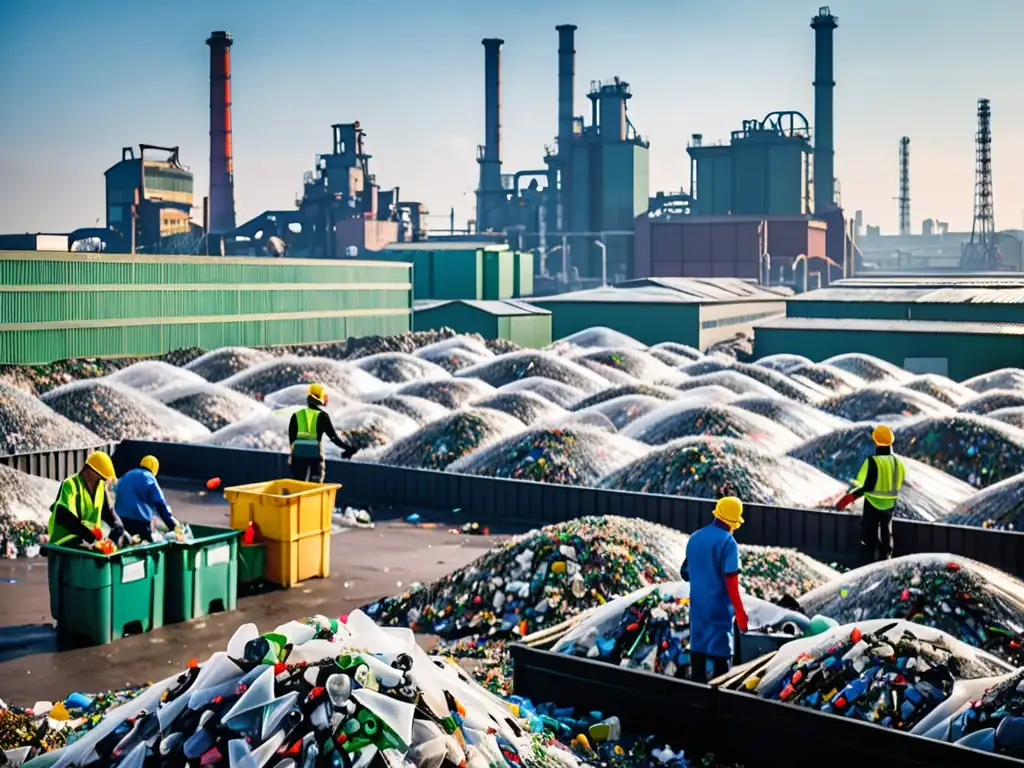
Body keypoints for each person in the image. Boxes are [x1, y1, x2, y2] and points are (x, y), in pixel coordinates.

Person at [680, 496, 749, 684]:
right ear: (733, 522)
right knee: (721, 670)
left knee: (698, 661)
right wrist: (741, 613)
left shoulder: (695, 538)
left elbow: (685, 572)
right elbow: (731, 582)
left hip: (698, 610)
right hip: (719, 613)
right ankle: (718, 707)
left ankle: (697, 701)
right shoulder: (728, 543)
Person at [835, 424, 905, 564]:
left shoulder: (872, 461)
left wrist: (849, 498)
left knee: (869, 535)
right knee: (886, 532)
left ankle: (866, 563)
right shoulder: (898, 463)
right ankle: (886, 563)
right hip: (890, 503)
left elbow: (866, 485)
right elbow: (898, 481)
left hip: (873, 502)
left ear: (876, 442)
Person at [48, 451, 129, 549]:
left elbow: (106, 512)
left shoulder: (100, 487)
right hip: (66, 541)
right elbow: (63, 516)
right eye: (101, 476)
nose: (103, 480)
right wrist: (89, 535)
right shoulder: (70, 484)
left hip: (90, 542)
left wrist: (117, 522)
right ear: (90, 470)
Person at [288, 383, 356, 482]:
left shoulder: (297, 415)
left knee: (298, 488)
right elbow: (334, 438)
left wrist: (292, 456)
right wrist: (349, 448)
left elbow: (292, 439)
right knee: (315, 489)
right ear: (321, 398)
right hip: (315, 458)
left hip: (297, 458)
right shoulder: (322, 416)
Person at [114, 455, 179, 542]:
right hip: (139, 523)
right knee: (144, 547)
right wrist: (171, 525)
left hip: (120, 520)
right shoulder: (148, 477)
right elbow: (159, 502)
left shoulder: (127, 474)